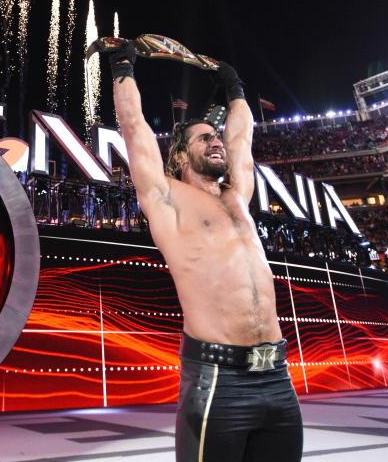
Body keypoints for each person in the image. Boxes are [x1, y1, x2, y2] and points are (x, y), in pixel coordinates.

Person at [108, 41, 303, 462]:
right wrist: (124, 65)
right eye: (204, 139)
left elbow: (242, 136)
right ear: (180, 154)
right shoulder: (166, 198)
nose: (217, 143)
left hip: (277, 376)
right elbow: (134, 127)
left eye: (216, 136)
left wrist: (233, 87)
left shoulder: (237, 197)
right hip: (218, 381)